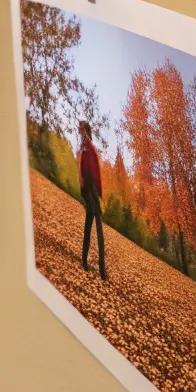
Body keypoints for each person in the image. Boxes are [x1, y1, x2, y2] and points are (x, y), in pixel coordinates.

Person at [77, 120, 107, 280]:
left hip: (93, 192)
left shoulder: (89, 147)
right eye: (79, 129)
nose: (79, 131)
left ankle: (100, 268)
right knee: (92, 227)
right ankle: (88, 263)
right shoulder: (84, 148)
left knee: (95, 228)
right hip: (90, 192)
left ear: (86, 130)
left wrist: (97, 195)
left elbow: (93, 173)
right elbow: (82, 173)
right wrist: (85, 193)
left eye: (81, 129)